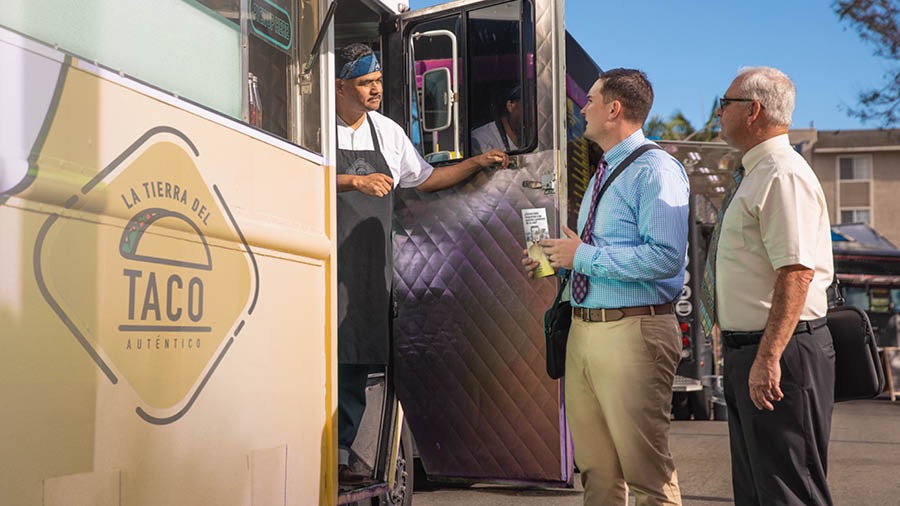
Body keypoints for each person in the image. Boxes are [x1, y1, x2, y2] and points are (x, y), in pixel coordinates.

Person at [334, 43, 509, 485]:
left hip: (366, 268)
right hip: (321, 260)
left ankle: (339, 451)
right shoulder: (313, 125)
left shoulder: (387, 132)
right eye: (365, 83)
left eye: (377, 81)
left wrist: (475, 163)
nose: (376, 89)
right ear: (338, 87)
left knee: (355, 355)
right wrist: (353, 180)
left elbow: (427, 179)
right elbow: (294, 172)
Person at [525, 68, 688, 506]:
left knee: (647, 475)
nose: (583, 107)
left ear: (614, 109)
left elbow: (666, 258)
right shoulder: (605, 170)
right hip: (586, 332)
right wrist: (559, 261)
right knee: (597, 473)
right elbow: (596, 256)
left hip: (633, 333)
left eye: (591, 99)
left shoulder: (656, 169)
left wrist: (582, 256)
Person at [707, 66, 835, 506]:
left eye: (724, 104)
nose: (718, 113)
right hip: (760, 351)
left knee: (787, 491)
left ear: (753, 110)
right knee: (759, 491)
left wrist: (768, 356)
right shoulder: (757, 172)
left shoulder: (782, 173)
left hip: (780, 352)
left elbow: (796, 272)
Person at [470, 85, 523, 153]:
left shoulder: (530, 138)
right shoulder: (481, 139)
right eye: (527, 105)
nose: (532, 112)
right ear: (510, 106)